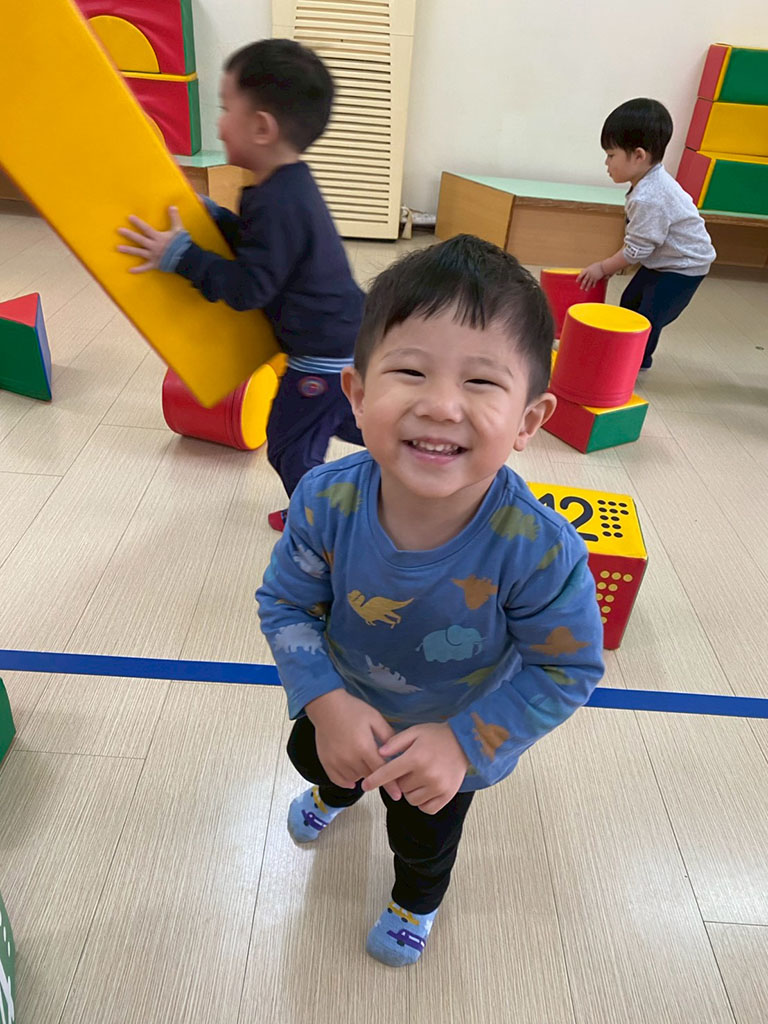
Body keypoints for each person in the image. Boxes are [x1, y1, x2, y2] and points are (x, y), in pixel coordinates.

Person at [256, 235, 605, 967]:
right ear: (357, 394)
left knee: (423, 839)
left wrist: (465, 742)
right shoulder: (324, 500)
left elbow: (566, 668)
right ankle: (334, 795)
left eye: (481, 382)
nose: (442, 405)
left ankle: (416, 902)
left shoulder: (538, 550)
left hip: (448, 739)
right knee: (316, 760)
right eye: (410, 371)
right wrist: (325, 702)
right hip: (341, 702)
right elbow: (285, 605)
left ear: (528, 421)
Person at [117, 39, 365, 530]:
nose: (219, 124)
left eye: (226, 108)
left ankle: (317, 523)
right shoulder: (287, 186)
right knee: (345, 418)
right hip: (341, 336)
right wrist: (212, 218)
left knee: (289, 442)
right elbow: (267, 252)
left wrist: (180, 255)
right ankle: (406, 452)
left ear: (261, 127)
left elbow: (249, 287)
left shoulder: (277, 200)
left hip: (320, 351)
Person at [577, 97, 716, 369]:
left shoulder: (650, 196)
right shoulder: (647, 182)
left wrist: (603, 267)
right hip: (664, 260)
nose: (607, 163)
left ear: (639, 155)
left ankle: (634, 363)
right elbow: (640, 243)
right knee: (631, 302)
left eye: (611, 155)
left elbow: (636, 250)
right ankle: (627, 352)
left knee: (648, 316)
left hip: (684, 266)